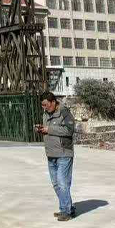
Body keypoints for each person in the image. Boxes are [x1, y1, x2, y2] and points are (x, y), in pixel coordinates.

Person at [36, 91, 77, 221]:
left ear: (53, 102)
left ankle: (66, 212)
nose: (44, 108)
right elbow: (48, 129)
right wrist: (41, 129)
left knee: (62, 183)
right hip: (51, 154)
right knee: (56, 184)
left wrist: (49, 129)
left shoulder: (64, 112)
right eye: (42, 105)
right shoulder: (45, 113)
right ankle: (67, 207)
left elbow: (69, 130)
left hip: (64, 153)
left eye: (46, 105)